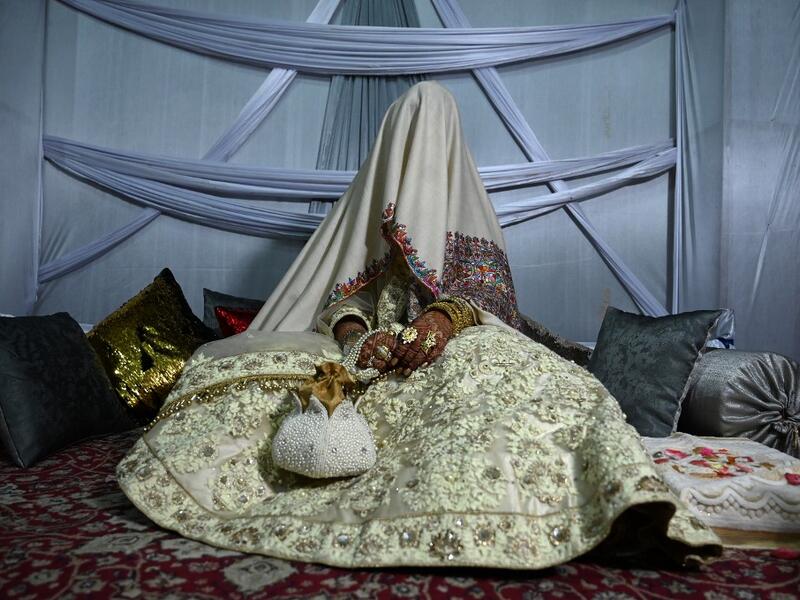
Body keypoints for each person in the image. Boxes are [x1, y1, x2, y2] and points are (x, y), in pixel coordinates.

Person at [117, 82, 720, 569]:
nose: (421, 150)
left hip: (464, 343)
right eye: (410, 134)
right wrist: (360, 335)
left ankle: (615, 510)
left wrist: (443, 317)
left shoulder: (471, 215)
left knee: (531, 387)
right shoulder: (372, 219)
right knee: (264, 397)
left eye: (432, 134)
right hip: (379, 355)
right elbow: (341, 299)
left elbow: (495, 305)